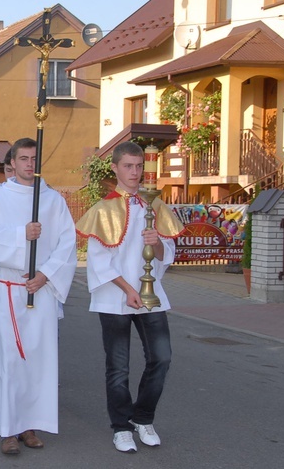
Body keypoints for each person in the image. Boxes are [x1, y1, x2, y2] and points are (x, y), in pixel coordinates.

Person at [75, 141, 184, 454]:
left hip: (152, 296)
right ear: (115, 168)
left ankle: (142, 417)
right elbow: (98, 262)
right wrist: (128, 289)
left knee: (161, 358)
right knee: (118, 367)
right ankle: (121, 427)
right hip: (115, 297)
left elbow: (167, 254)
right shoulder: (103, 209)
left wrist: (158, 244)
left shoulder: (156, 205)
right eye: (128, 166)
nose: (134, 172)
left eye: (138, 166)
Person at [0, 137, 77, 455]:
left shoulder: (52, 201)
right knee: (7, 362)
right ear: (12, 163)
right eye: (23, 158)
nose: (29, 164)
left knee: (36, 361)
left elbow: (67, 242)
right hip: (8, 290)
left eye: (34, 158)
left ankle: (29, 425)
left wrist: (45, 274)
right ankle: (7, 429)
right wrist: (22, 235)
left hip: (40, 290)